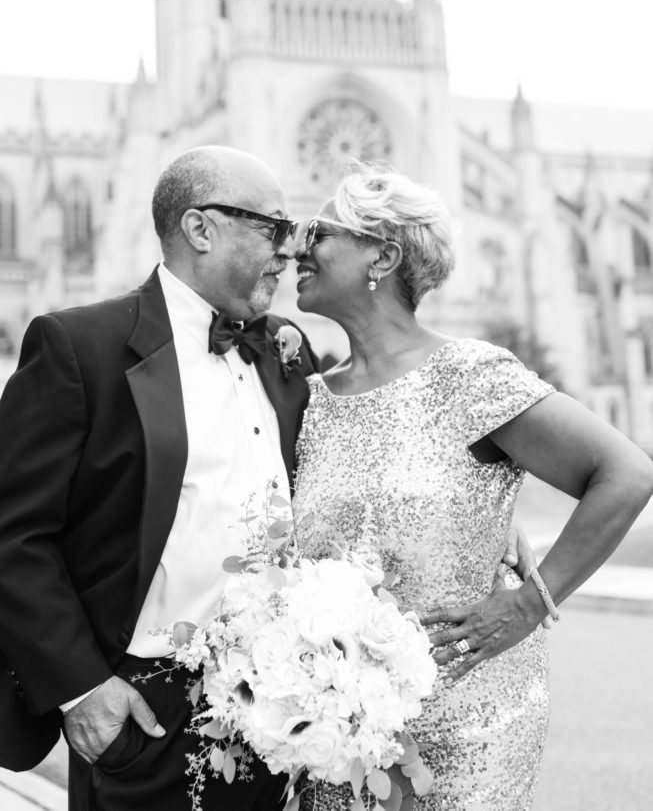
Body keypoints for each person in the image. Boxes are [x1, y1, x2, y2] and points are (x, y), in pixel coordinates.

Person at [291, 163, 653, 811]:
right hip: (339, 737)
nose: (299, 244)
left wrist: (528, 604)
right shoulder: (305, 402)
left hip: (469, 725)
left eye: (320, 231)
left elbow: (625, 473)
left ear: (383, 253)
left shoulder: (467, 374)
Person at [0, 145, 321, 811]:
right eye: (272, 228)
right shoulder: (78, 348)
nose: (288, 251)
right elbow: (14, 535)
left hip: (286, 709)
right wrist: (82, 688)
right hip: (143, 713)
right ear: (200, 229)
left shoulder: (286, 351)